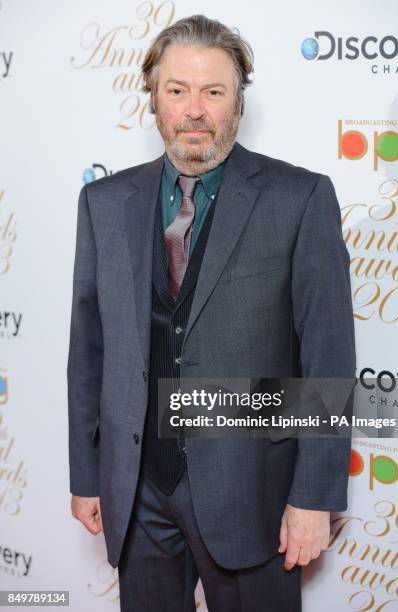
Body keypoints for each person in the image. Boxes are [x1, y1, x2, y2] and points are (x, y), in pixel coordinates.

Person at [67, 14, 356, 612]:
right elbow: (88, 351)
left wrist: (314, 497)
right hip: (138, 494)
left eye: (213, 92)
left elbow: (327, 356)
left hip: (254, 496)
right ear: (154, 100)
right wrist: (88, 474)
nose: (194, 110)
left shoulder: (299, 199)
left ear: (238, 102)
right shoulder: (103, 203)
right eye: (177, 91)